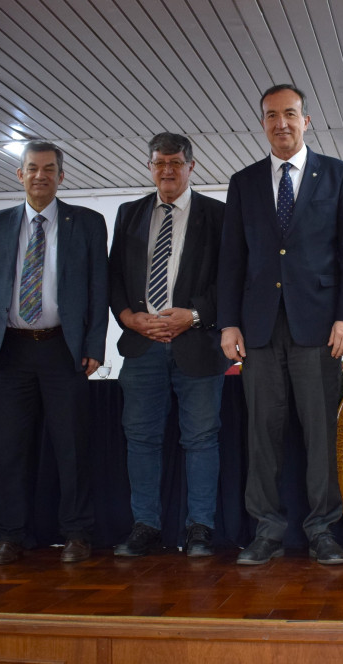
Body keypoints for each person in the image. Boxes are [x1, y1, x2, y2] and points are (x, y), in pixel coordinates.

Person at [217, 84, 343, 565]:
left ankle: (323, 529)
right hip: (258, 330)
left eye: (290, 114)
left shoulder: (339, 175)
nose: (281, 123)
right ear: (262, 123)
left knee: (320, 433)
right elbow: (231, 259)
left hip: (319, 328)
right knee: (261, 434)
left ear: (306, 120)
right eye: (271, 115)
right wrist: (228, 324)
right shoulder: (243, 182)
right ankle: (267, 530)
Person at [0, 140, 108, 564]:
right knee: (10, 448)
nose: (40, 175)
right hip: (11, 351)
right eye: (32, 168)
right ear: (20, 175)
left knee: (72, 448)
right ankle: (10, 534)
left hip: (63, 350)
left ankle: (77, 533)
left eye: (49, 169)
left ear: (61, 176)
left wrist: (94, 345)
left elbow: (98, 288)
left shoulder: (86, 223)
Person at [108, 133, 230, 558]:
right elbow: (114, 277)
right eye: (159, 162)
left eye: (176, 162)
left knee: (201, 439)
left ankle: (200, 528)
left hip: (197, 344)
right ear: (149, 167)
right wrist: (129, 318)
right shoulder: (129, 214)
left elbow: (230, 281)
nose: (167, 170)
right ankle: (145, 526)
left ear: (191, 167)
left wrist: (193, 316)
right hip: (142, 345)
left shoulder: (218, 215)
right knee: (140, 439)